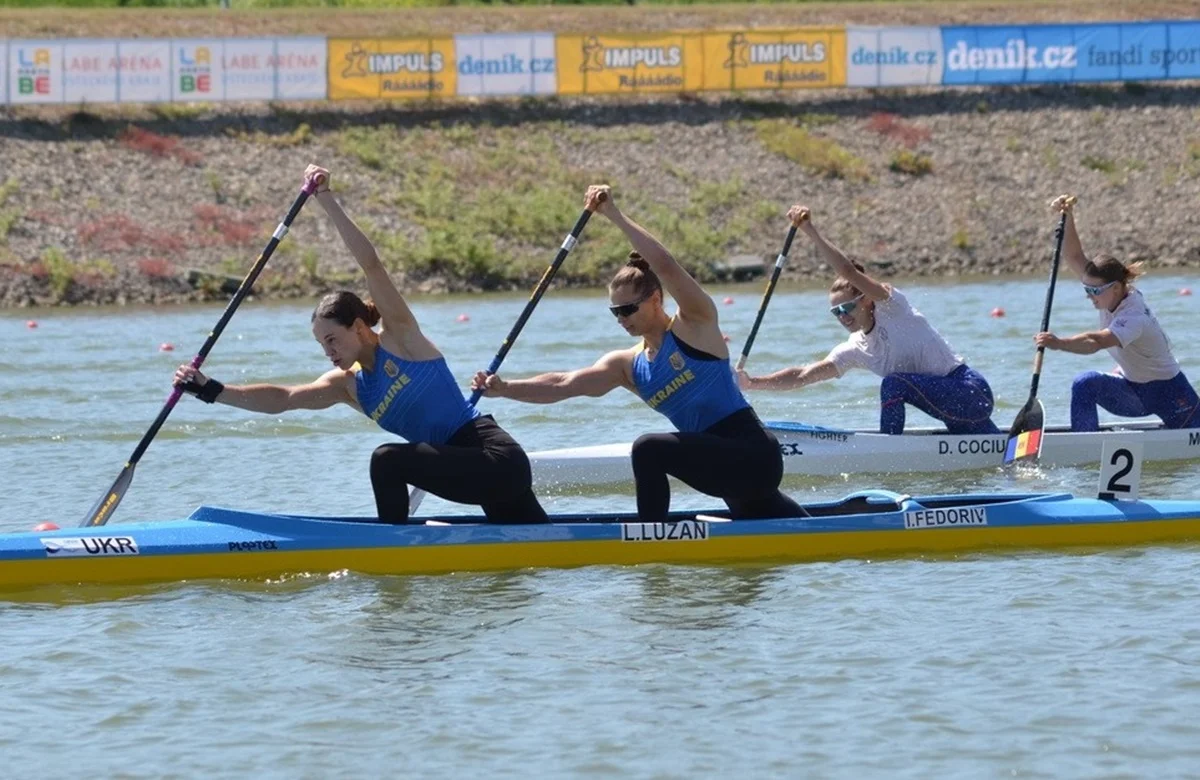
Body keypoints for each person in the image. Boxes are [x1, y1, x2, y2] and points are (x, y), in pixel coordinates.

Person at [173, 164, 549, 524]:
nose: (329, 352)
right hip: (471, 471)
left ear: (358, 327)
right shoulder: (349, 386)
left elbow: (372, 266)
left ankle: (391, 550)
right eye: (323, 345)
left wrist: (326, 199)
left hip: (494, 456)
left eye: (332, 339)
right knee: (542, 546)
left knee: (386, 460)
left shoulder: (401, 338)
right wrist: (210, 390)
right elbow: (283, 399)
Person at [472, 185, 805, 523]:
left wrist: (612, 214)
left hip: (753, 453)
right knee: (775, 523)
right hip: (720, 466)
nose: (622, 319)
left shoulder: (694, 325)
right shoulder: (628, 366)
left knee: (648, 448)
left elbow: (665, 264)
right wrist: (505, 388)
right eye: (615, 312)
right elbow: (563, 384)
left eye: (628, 309)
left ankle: (649, 537)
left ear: (656, 299)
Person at [737, 205, 999, 436]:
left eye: (846, 308)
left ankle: (889, 450)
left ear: (865, 300)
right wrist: (752, 383)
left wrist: (809, 230)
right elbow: (803, 375)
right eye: (835, 312)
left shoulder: (892, 307)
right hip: (953, 410)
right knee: (997, 451)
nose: (842, 316)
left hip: (969, 391)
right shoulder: (855, 348)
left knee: (894, 383)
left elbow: (847, 271)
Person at [1034, 195, 1199, 431]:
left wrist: (1059, 343)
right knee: (1084, 384)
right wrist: (1067, 216)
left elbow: (1096, 341)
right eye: (1086, 288)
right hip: (1133, 390)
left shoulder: (1134, 317)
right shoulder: (1108, 292)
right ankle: (1085, 446)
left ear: (1116, 287)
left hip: (1170, 392)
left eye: (1095, 290)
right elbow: (1073, 256)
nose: (1089, 295)